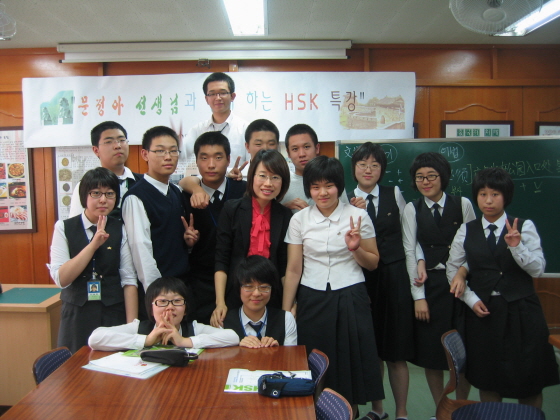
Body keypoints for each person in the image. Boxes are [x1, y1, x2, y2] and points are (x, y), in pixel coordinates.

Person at [447, 167, 559, 409]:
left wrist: (517, 247)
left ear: (506, 196)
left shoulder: (524, 226)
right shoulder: (467, 229)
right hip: (483, 312)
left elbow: (537, 269)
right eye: (483, 194)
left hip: (522, 312)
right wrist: (470, 299)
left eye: (495, 194)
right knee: (488, 380)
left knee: (528, 379)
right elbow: (453, 268)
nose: (488, 200)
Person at [282, 155, 384, 417]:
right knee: (314, 361)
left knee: (350, 361)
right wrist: (286, 311)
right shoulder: (299, 220)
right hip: (312, 297)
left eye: (329, 185)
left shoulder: (358, 216)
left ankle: (349, 412)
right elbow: (293, 269)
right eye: (315, 187)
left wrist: (355, 248)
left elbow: (373, 263)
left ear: (339, 185)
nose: (323, 193)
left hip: (351, 295)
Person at [401, 152, 475, 413]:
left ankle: (461, 408)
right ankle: (440, 410)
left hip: (460, 287)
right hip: (430, 287)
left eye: (432, 176)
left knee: (463, 353)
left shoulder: (463, 204)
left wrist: (463, 273)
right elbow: (410, 250)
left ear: (443, 177)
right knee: (432, 355)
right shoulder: (412, 209)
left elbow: (475, 245)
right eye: (420, 177)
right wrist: (418, 296)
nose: (426, 181)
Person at [348, 142, 414, 420]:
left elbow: (409, 236)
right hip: (362, 280)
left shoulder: (394, 194)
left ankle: (402, 413)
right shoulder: (345, 200)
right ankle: (378, 410)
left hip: (395, 279)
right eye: (363, 164)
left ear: (382, 170)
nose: (368, 170)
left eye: (375, 165)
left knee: (396, 352)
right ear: (354, 168)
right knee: (371, 350)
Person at [48, 167, 138, 353]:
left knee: (114, 367)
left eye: (109, 194)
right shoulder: (64, 227)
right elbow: (62, 278)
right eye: (96, 193)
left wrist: (132, 329)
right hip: (76, 315)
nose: (103, 199)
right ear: (84, 196)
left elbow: (129, 280)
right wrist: (93, 245)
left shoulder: (120, 228)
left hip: (112, 313)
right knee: (74, 367)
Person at [211, 149, 292, 328]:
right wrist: (220, 302)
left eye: (275, 177)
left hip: (271, 295)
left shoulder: (285, 215)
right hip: (236, 293)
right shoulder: (232, 209)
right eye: (262, 176)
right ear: (252, 177)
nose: (268, 183)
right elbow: (221, 259)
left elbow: (284, 266)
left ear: (283, 181)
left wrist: (288, 306)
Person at [121, 126, 199, 295]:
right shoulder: (136, 197)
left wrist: (188, 243)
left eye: (173, 151)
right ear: (145, 154)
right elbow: (141, 251)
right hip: (159, 292)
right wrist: (157, 295)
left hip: (182, 285)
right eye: (160, 151)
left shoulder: (176, 192)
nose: (168, 157)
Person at [182, 132, 246, 324]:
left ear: (228, 160)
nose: (211, 165)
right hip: (200, 282)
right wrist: (188, 243)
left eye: (218, 157)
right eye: (204, 158)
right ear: (196, 161)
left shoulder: (244, 191)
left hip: (239, 280)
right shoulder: (185, 197)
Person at [89, 276, 239, 350]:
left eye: (177, 301)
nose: (170, 307)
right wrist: (147, 340)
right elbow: (95, 338)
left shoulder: (193, 328)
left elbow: (232, 336)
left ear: (186, 309)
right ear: (151, 308)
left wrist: (184, 341)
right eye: (162, 301)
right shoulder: (139, 328)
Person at [69, 121, 141, 219]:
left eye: (122, 140)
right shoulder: (85, 186)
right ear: (96, 150)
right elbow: (77, 225)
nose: (117, 146)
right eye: (108, 142)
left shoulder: (143, 183)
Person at [223, 255, 297, 347]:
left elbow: (291, 355)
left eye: (264, 287)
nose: (256, 293)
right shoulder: (223, 320)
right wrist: (237, 348)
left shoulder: (286, 319)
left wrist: (278, 351)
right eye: (249, 287)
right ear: (239, 288)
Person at [183, 72, 249, 172]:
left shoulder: (245, 128)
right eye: (212, 94)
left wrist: (234, 173)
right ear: (206, 99)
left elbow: (253, 163)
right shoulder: (198, 130)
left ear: (232, 96)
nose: (218, 98)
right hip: (205, 182)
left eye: (223, 93)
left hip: (238, 181)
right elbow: (182, 153)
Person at [280, 124, 349, 213]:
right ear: (288, 153)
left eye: (306, 147)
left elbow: (345, 213)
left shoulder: (332, 178)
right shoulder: (282, 183)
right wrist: (284, 208)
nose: (302, 154)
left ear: (317, 148)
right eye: (295, 149)